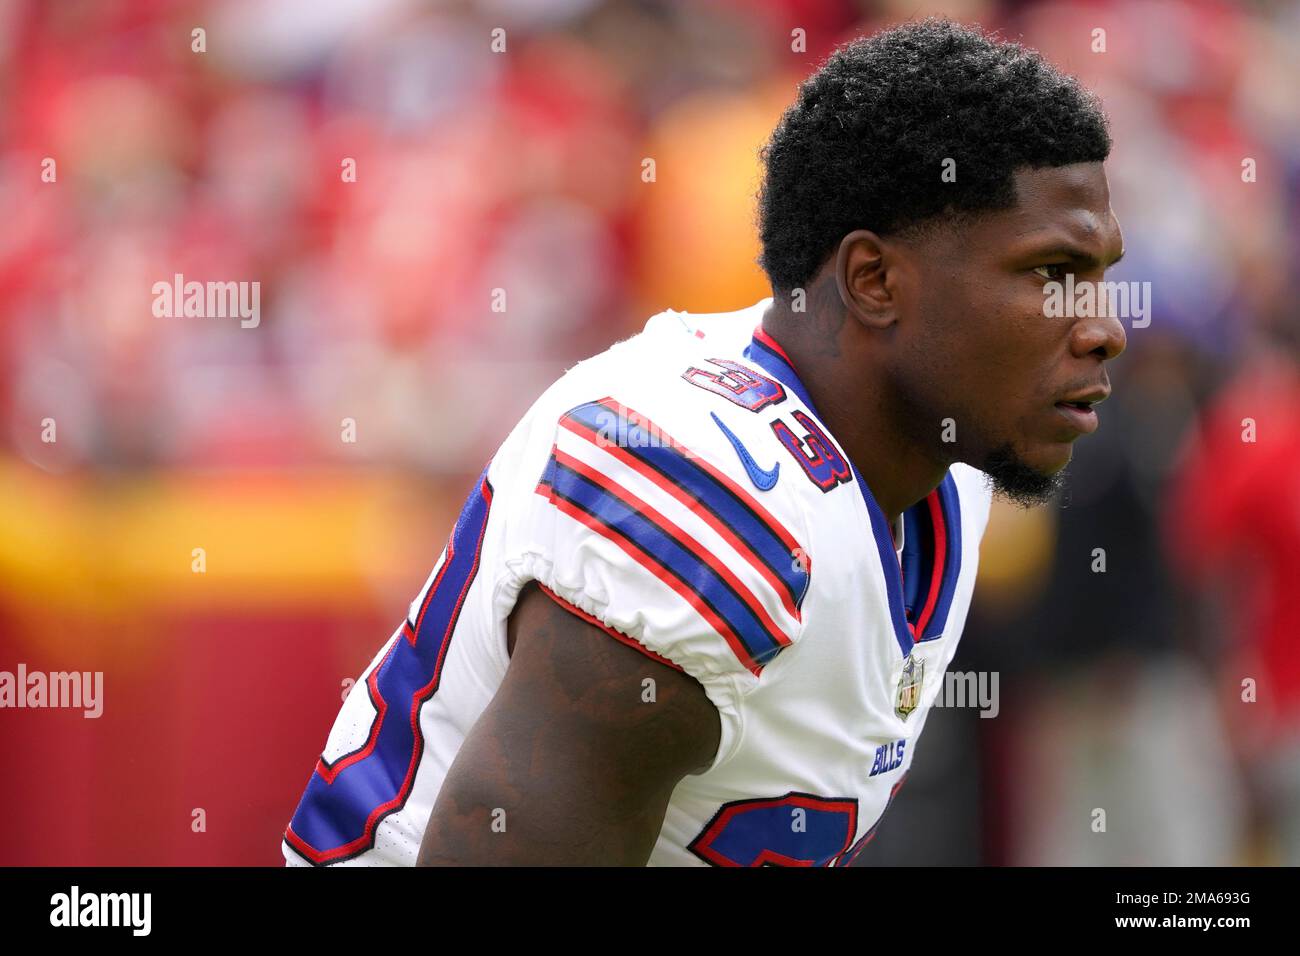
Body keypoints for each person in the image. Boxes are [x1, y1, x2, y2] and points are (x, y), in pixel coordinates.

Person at [282, 17, 1126, 867]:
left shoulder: (943, 472)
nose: (1103, 329)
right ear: (874, 281)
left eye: (1099, 279)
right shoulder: (702, 489)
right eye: (1050, 276)